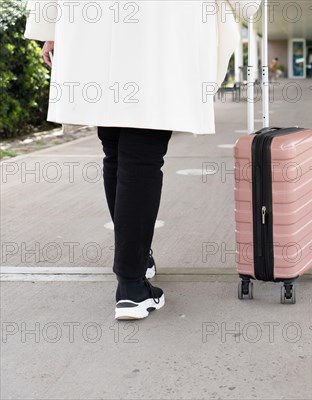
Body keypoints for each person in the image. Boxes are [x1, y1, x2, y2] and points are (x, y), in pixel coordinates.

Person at [24, 0, 261, 320]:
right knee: (141, 151)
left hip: (94, 22)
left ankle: (136, 260)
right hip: (160, 25)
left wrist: (51, 26)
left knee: (116, 148)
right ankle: (132, 286)